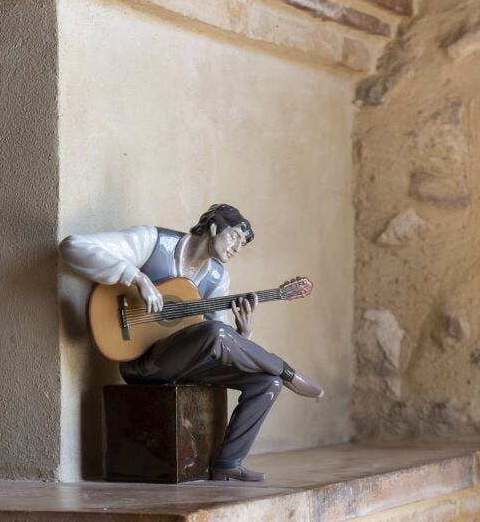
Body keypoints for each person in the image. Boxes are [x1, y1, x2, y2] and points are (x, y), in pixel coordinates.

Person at [59, 203, 323, 482]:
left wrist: (243, 333)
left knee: (267, 382)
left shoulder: (217, 277)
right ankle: (287, 370)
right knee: (217, 335)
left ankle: (228, 463)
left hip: (184, 363)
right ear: (213, 227)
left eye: (241, 245)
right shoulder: (153, 242)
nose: (235, 248)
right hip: (140, 362)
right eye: (234, 236)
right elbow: (72, 246)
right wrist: (138, 279)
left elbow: (214, 338)